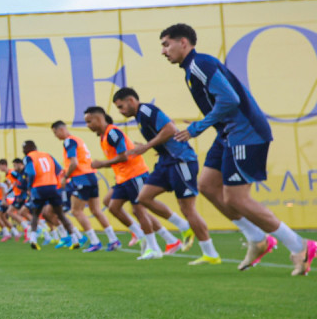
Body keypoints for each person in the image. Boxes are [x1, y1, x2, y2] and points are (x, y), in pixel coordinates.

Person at [160, 23, 316, 275]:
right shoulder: (191, 69)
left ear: (184, 43)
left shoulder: (200, 64)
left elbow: (230, 99)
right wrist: (208, 123)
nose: (163, 51)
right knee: (208, 187)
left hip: (246, 133)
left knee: (236, 198)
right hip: (227, 135)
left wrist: (200, 126)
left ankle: (300, 245)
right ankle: (257, 239)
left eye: (166, 44)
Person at [112, 88, 222, 265]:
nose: (121, 111)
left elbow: (170, 128)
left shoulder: (146, 110)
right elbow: (168, 123)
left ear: (131, 100)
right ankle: (184, 227)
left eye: (121, 106)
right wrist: (160, 148)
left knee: (187, 208)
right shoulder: (140, 116)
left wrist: (147, 146)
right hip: (166, 161)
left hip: (181, 160)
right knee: (144, 198)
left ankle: (210, 253)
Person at [84, 107, 164, 260]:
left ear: (99, 118)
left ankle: (155, 247)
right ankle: (141, 235)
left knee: (139, 211)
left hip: (135, 175)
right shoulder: (104, 136)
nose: (88, 125)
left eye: (89, 121)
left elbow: (124, 157)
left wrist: (102, 163)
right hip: (124, 177)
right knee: (112, 205)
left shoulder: (113, 133)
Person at [52, 120, 121, 252]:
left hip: (81, 179)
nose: (56, 136)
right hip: (91, 176)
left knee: (76, 211)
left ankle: (94, 241)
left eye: (55, 133)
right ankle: (113, 240)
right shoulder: (79, 140)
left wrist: (66, 177)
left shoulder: (69, 141)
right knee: (96, 210)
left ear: (61, 130)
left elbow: (73, 163)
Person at [21, 140, 79, 251]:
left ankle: (33, 240)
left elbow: (31, 172)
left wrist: (30, 185)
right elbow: (58, 170)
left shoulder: (28, 157)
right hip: (53, 187)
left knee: (35, 214)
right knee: (60, 214)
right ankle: (75, 239)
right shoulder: (47, 155)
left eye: (24, 149)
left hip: (39, 188)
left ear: (26, 149)